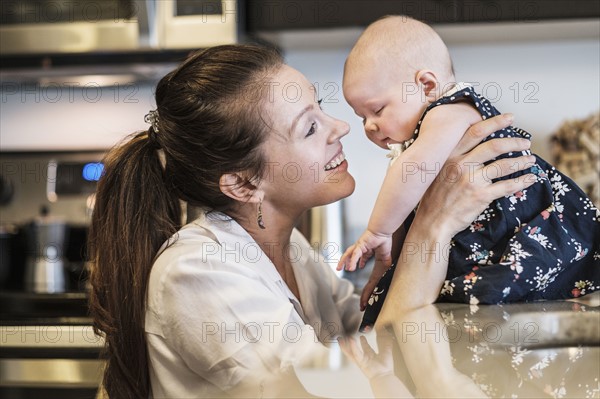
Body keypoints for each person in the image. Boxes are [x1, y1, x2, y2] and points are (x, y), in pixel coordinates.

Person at [88, 44, 536, 398]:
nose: (340, 127)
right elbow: (345, 388)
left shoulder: (293, 251)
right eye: (309, 128)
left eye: (321, 108)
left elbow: (375, 345)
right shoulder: (197, 271)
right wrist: (434, 225)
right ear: (243, 184)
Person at [337, 16, 600, 327]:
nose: (370, 126)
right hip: (479, 237)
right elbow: (407, 201)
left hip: (518, 228)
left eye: (377, 110)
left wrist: (376, 230)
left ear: (427, 85)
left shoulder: (449, 110)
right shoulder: (420, 141)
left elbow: (412, 170)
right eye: (361, 117)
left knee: (487, 299)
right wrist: (386, 257)